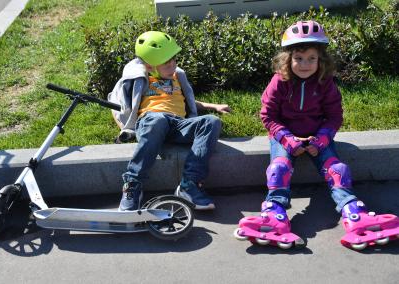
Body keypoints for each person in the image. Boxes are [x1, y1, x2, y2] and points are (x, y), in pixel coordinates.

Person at [253, 20, 398, 249]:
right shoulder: (279, 82)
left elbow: (334, 116)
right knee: (278, 169)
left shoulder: (325, 83)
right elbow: (268, 115)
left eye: (311, 58)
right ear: (287, 59)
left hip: (316, 135)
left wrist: (321, 139)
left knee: (337, 170)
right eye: (298, 58)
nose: (304, 64)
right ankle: (274, 213)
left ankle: (353, 212)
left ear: (320, 59)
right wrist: (287, 139)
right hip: (285, 135)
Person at [108, 31, 231, 211]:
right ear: (150, 66)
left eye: (174, 59)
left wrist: (213, 106)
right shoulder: (140, 79)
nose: (172, 64)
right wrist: (125, 128)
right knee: (158, 119)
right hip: (151, 121)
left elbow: (187, 101)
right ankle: (132, 185)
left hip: (178, 125)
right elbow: (117, 103)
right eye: (166, 62)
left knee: (211, 122)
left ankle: (189, 185)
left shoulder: (177, 78)